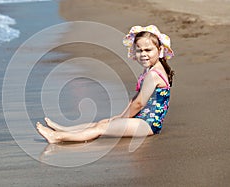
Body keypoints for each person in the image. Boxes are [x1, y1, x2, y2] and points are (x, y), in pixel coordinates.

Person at [36, 25, 175, 143]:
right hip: (142, 120)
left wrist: (123, 118)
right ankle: (64, 129)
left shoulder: (153, 74)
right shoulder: (150, 70)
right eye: (139, 50)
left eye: (148, 50)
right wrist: (120, 116)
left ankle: (57, 136)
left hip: (147, 125)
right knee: (103, 122)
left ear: (160, 50)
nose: (143, 54)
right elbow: (135, 98)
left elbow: (139, 103)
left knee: (101, 128)